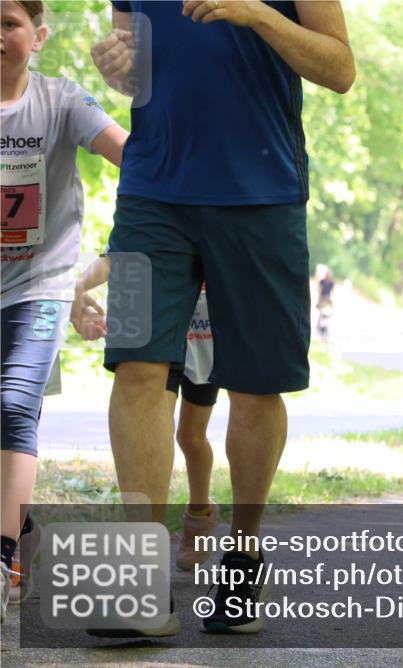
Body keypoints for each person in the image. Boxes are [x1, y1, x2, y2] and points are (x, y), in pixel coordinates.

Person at [89, 0, 354, 636]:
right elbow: (138, 67)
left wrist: (260, 15)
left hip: (262, 191)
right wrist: (117, 67)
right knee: (134, 366)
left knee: (257, 384)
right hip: (150, 189)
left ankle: (243, 555)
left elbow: (340, 68)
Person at [0, 0, 128, 623]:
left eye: (7, 23)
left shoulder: (61, 100)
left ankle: (2, 559)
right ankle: (24, 533)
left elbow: (128, 153)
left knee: (14, 405)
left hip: (42, 284)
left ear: (38, 36)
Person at [73, 258, 221, 571]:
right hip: (164, 334)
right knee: (157, 425)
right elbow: (114, 257)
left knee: (191, 437)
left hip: (207, 338)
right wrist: (81, 284)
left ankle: (200, 511)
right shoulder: (155, 220)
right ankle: (145, 549)